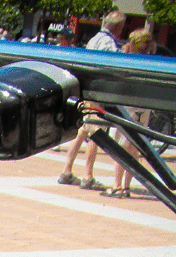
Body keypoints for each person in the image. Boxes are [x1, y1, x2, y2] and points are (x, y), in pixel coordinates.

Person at [57, 10, 125, 190]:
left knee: (82, 130)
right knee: (96, 132)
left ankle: (67, 170)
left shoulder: (95, 39)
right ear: (118, 27)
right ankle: (87, 176)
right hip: (98, 92)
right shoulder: (109, 43)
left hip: (87, 91)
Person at [106, 28, 155, 197]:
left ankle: (117, 184)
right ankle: (126, 186)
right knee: (135, 148)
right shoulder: (151, 63)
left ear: (134, 44)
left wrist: (124, 55)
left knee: (122, 146)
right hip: (144, 107)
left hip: (128, 107)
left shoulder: (129, 61)